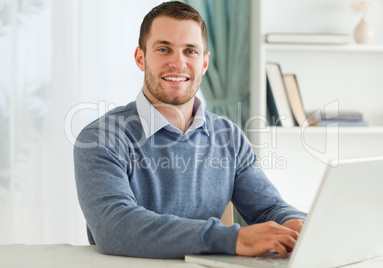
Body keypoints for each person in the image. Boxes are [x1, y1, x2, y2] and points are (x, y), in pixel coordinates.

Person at [74, 1, 306, 259]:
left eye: (190, 51)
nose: (178, 63)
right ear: (141, 58)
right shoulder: (100, 138)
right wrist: (233, 238)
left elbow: (268, 209)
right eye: (164, 49)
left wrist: (297, 224)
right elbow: (115, 227)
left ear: (205, 63)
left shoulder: (228, 136)